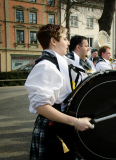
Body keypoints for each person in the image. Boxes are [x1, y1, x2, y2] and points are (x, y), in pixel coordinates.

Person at [25, 24, 92, 160]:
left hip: (59, 125)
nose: (68, 43)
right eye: (65, 39)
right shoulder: (46, 66)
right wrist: (75, 122)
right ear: (53, 41)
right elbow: (42, 107)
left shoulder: (59, 63)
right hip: (52, 129)